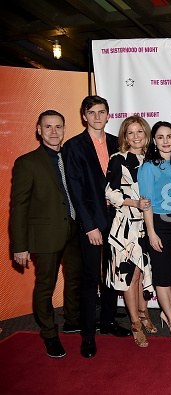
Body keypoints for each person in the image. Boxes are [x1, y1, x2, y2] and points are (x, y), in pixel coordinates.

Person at [10, 110, 82, 358]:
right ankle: (50, 334)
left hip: (74, 229)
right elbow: (18, 206)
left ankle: (73, 320)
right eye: (48, 127)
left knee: (75, 278)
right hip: (45, 235)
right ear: (38, 130)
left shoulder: (71, 157)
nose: (54, 132)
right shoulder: (27, 162)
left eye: (58, 127)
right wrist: (19, 245)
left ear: (64, 129)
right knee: (45, 286)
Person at [64, 96, 131, 359]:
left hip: (118, 217)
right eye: (91, 113)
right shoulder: (74, 146)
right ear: (84, 116)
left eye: (101, 112)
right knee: (91, 278)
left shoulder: (118, 142)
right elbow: (76, 190)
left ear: (108, 115)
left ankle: (108, 322)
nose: (97, 117)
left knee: (112, 274)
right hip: (92, 219)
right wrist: (89, 225)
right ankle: (88, 335)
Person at [105, 115, 156, 348]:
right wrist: (133, 203)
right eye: (130, 133)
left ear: (146, 134)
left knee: (142, 270)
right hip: (125, 225)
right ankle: (135, 322)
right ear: (124, 137)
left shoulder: (152, 160)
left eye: (139, 132)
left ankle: (143, 313)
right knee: (130, 275)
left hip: (146, 225)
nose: (135, 137)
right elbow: (109, 192)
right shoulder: (118, 159)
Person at [138, 121, 171, 343]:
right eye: (160, 137)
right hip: (160, 224)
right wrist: (152, 232)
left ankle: (167, 313)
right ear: (154, 141)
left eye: (170, 136)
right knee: (163, 277)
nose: (165, 141)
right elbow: (145, 202)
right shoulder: (149, 166)